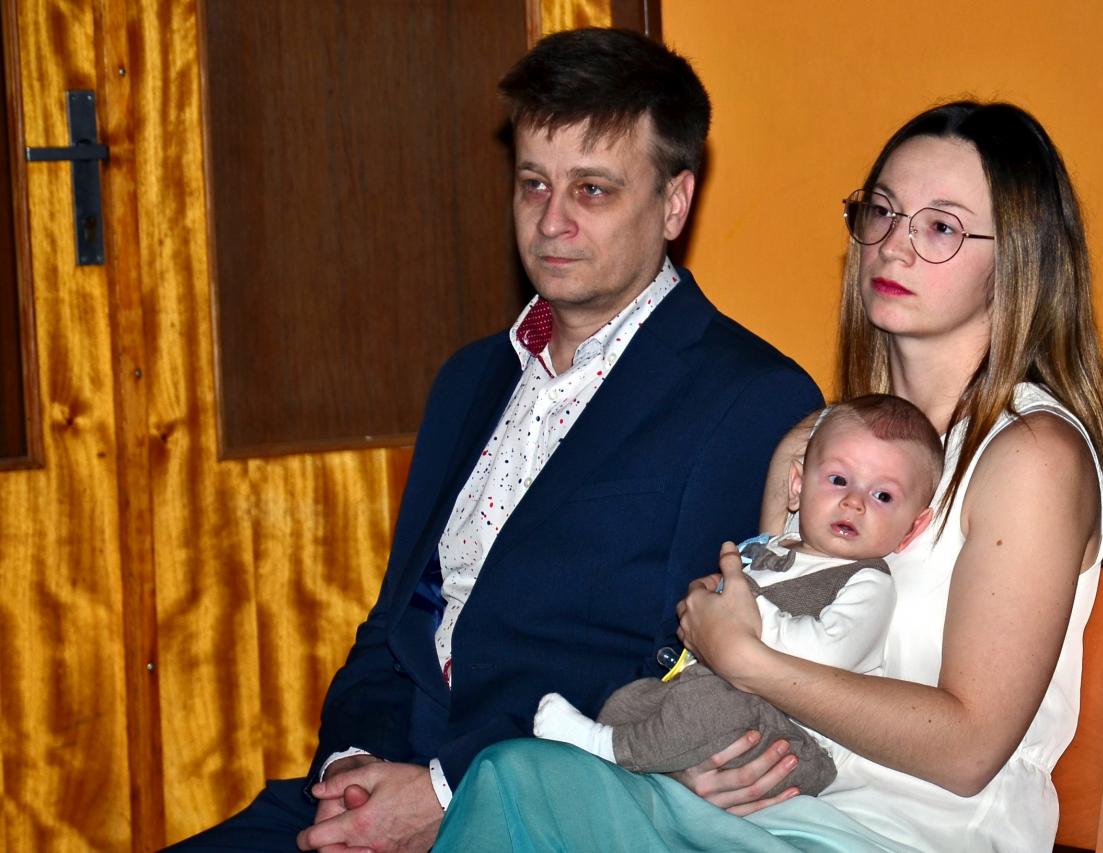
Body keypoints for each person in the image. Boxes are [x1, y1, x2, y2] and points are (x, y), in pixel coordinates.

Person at [167, 27, 822, 853]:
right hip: (371, 784)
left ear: (674, 202)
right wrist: (354, 765)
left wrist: (445, 791)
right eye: (533, 184)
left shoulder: (753, 398)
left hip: (547, 803)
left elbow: (676, 664)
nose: (552, 221)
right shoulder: (469, 378)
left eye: (592, 190)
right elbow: (394, 627)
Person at [431, 99, 1103, 853]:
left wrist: (749, 661)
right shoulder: (812, 445)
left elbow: (969, 749)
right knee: (516, 775)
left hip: (920, 838)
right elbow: (750, 668)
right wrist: (698, 764)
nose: (894, 246)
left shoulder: (1032, 454)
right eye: (882, 212)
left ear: (1020, 258)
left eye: (942, 227)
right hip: (778, 814)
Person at [533, 394, 941, 799]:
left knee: (713, 704)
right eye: (838, 480)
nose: (854, 502)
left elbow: (828, 655)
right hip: (717, 695)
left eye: (883, 496)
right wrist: (712, 596)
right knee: (635, 698)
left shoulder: (869, 582)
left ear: (912, 528)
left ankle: (612, 750)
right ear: (797, 487)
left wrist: (747, 610)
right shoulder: (771, 549)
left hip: (791, 738)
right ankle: (616, 748)